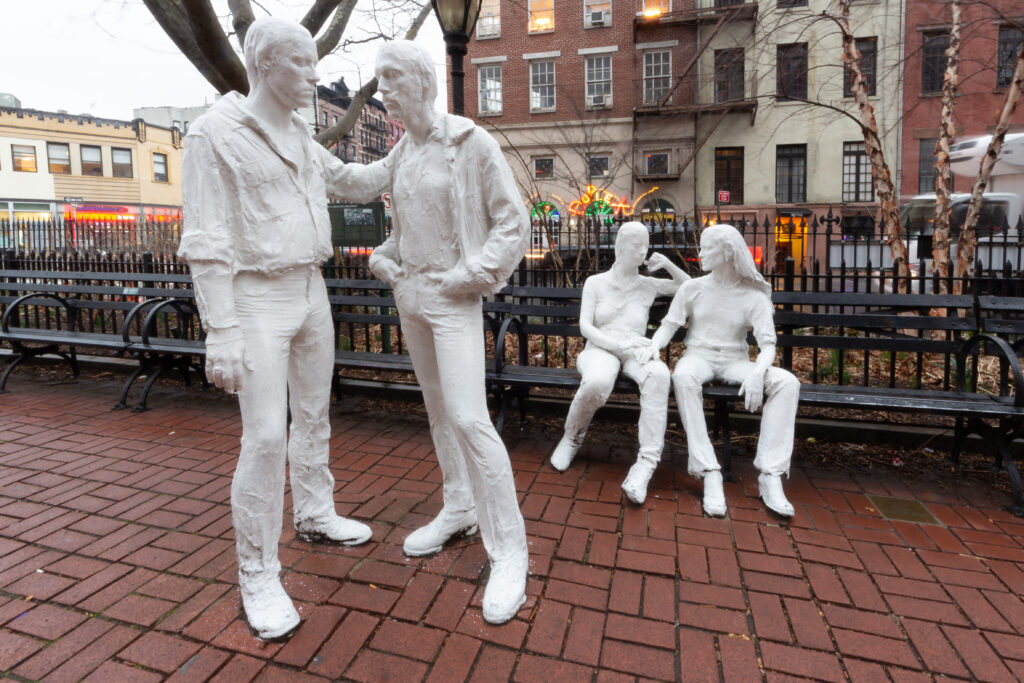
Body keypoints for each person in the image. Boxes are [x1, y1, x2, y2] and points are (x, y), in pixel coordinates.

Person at [179, 17, 384, 639]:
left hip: (310, 291)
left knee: (315, 415)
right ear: (266, 63)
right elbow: (207, 241)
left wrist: (419, 144)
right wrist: (221, 332)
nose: (315, 75)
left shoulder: (298, 131)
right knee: (266, 436)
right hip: (256, 298)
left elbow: (350, 180)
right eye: (303, 63)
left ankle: (316, 513)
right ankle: (258, 571)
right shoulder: (213, 134)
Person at [366, 41, 531, 625]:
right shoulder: (402, 155)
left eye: (390, 79)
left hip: (453, 300)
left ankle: (510, 550)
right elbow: (403, 235)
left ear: (421, 81)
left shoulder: (468, 142)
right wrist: (383, 259)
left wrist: (473, 276)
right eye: (378, 81)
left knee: (468, 418)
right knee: (437, 413)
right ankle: (458, 506)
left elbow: (514, 223)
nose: (381, 90)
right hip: (411, 299)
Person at [645, 224, 799, 518]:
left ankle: (770, 474)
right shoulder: (693, 288)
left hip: (735, 360)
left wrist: (757, 373)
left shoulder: (753, 296)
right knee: (683, 375)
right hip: (698, 356)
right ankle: (708, 470)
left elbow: (768, 345)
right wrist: (653, 347)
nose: (700, 254)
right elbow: (669, 325)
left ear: (727, 253)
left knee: (787, 383)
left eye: (707, 248)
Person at [549, 222, 689, 505]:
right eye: (637, 245)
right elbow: (585, 326)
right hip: (600, 348)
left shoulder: (648, 285)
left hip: (634, 351)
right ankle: (572, 437)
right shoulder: (596, 283)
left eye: (646, 246)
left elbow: (688, 287)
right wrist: (617, 345)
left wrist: (668, 265)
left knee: (659, 374)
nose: (643, 252)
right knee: (599, 380)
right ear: (619, 247)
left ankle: (646, 463)